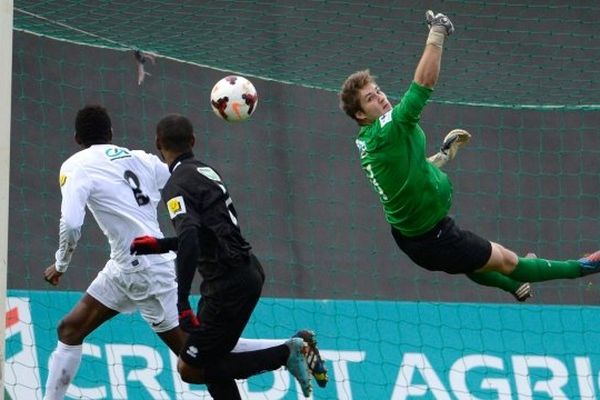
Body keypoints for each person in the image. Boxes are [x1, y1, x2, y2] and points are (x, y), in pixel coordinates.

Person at [43, 105, 327, 400]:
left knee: (196, 360)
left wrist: (61, 264)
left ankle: (289, 347)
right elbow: (182, 179)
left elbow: (72, 222)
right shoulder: (139, 158)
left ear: (77, 138)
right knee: (71, 329)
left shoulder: (75, 165)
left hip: (146, 272)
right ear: (112, 133)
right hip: (124, 265)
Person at [338, 10, 600, 302]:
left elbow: (408, 175)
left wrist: (442, 156)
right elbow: (422, 86)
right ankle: (584, 267)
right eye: (371, 98)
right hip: (433, 238)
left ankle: (515, 286)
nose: (382, 97)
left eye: (378, 90)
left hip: (415, 236)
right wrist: (438, 32)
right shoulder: (387, 129)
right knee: (512, 263)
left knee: (470, 260)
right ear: (360, 114)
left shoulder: (368, 139)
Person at [129, 113, 327, 399]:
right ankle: (289, 349)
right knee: (213, 360)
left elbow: (190, 238)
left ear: (158, 144)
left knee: (190, 367)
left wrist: (182, 300)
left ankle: (286, 353)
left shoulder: (176, 184)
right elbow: (206, 233)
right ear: (193, 141)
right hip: (245, 272)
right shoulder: (205, 172)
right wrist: (162, 245)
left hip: (227, 284)